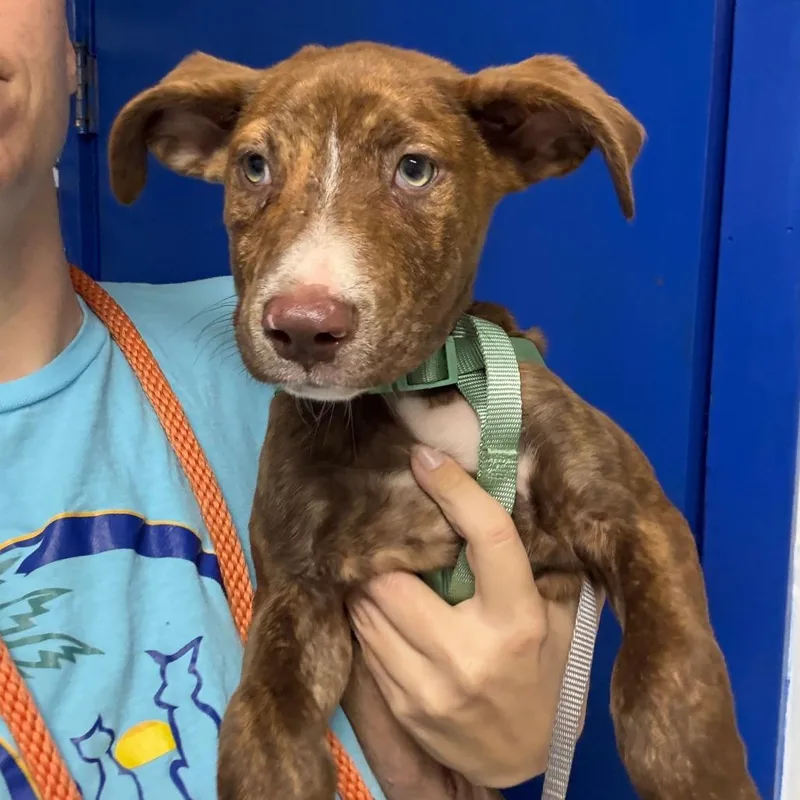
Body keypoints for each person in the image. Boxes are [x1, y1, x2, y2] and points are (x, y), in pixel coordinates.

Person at [0, 1, 593, 797]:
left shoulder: (328, 352)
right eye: (259, 167)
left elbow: (545, 574)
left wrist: (530, 725)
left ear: (71, 44)